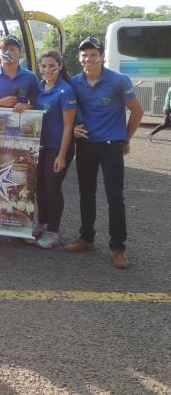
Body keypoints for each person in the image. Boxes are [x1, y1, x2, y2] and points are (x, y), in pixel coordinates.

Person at [66, 36, 144, 269]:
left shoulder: (119, 80)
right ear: (79, 58)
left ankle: (118, 248)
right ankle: (86, 238)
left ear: (101, 55)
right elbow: (69, 112)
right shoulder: (74, 83)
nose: (88, 59)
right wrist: (74, 127)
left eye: (93, 54)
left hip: (111, 146)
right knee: (86, 194)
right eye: (84, 55)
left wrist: (126, 139)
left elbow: (137, 112)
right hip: (85, 145)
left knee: (115, 198)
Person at [34, 51, 77, 249]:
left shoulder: (66, 91)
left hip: (58, 147)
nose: (48, 70)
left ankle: (53, 232)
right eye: (44, 66)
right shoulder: (40, 87)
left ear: (60, 66)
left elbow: (69, 126)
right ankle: (42, 224)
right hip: (40, 146)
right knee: (40, 187)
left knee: (53, 188)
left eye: (52, 66)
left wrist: (62, 155)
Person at [0, 36, 39, 113]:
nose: (7, 53)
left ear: (20, 53)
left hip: (20, 120)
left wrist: (26, 106)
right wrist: (0, 102)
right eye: (4, 50)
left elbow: (39, 104)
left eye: (12, 49)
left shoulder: (30, 77)